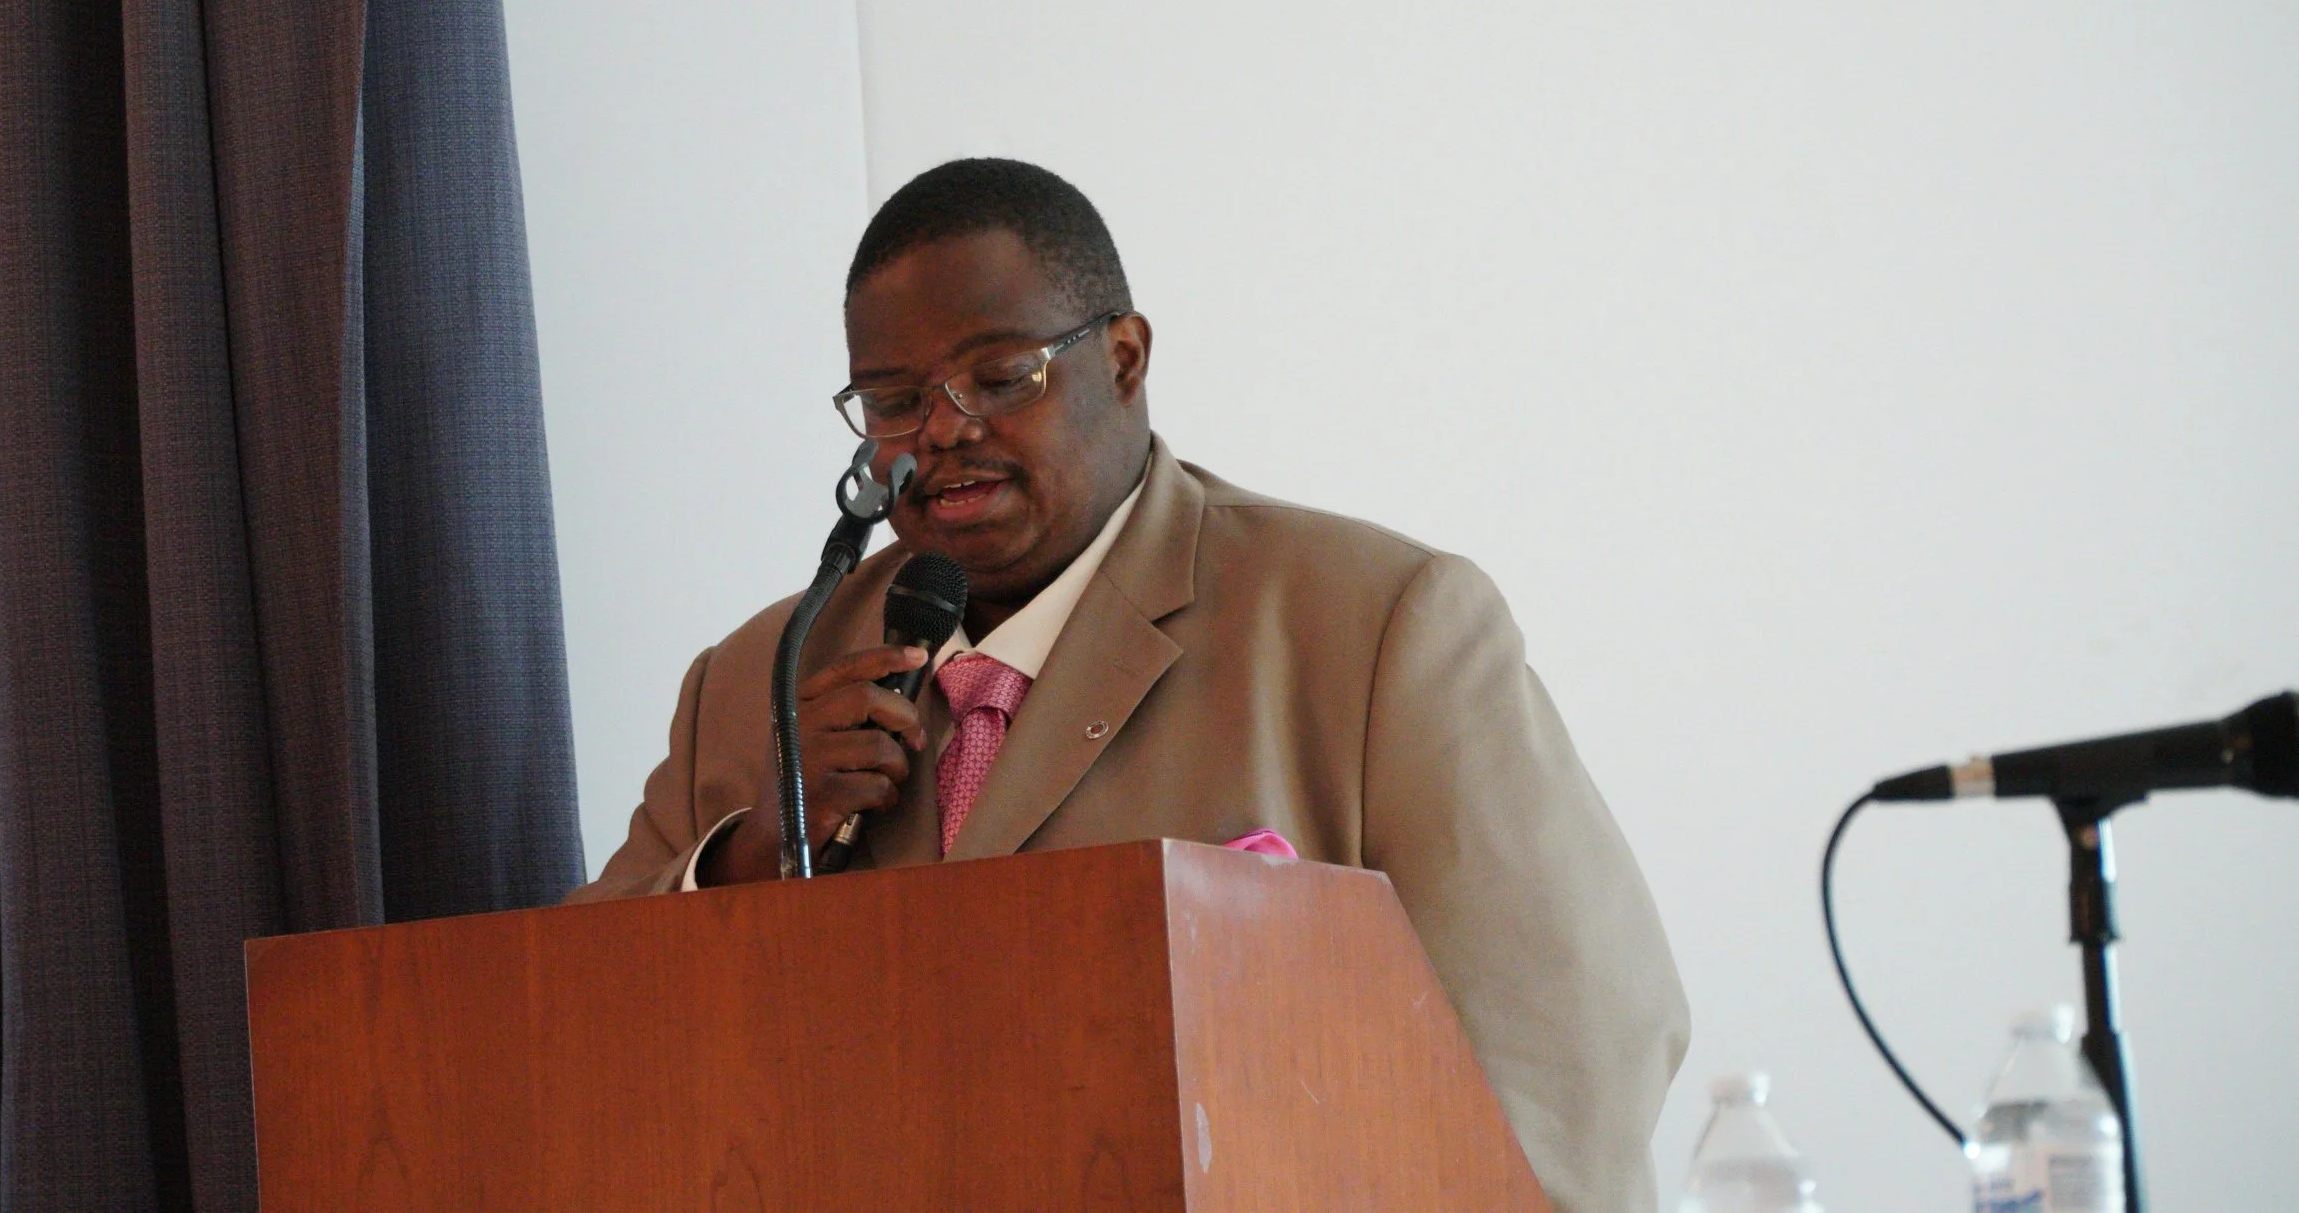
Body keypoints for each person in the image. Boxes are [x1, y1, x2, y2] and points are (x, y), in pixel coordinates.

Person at [571, 157, 1688, 1212]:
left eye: (1000, 375)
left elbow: (1568, 1053)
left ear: (1124, 359)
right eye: (893, 398)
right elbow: (559, 1037)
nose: (944, 429)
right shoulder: (758, 681)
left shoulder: (1375, 625)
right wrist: (749, 856)